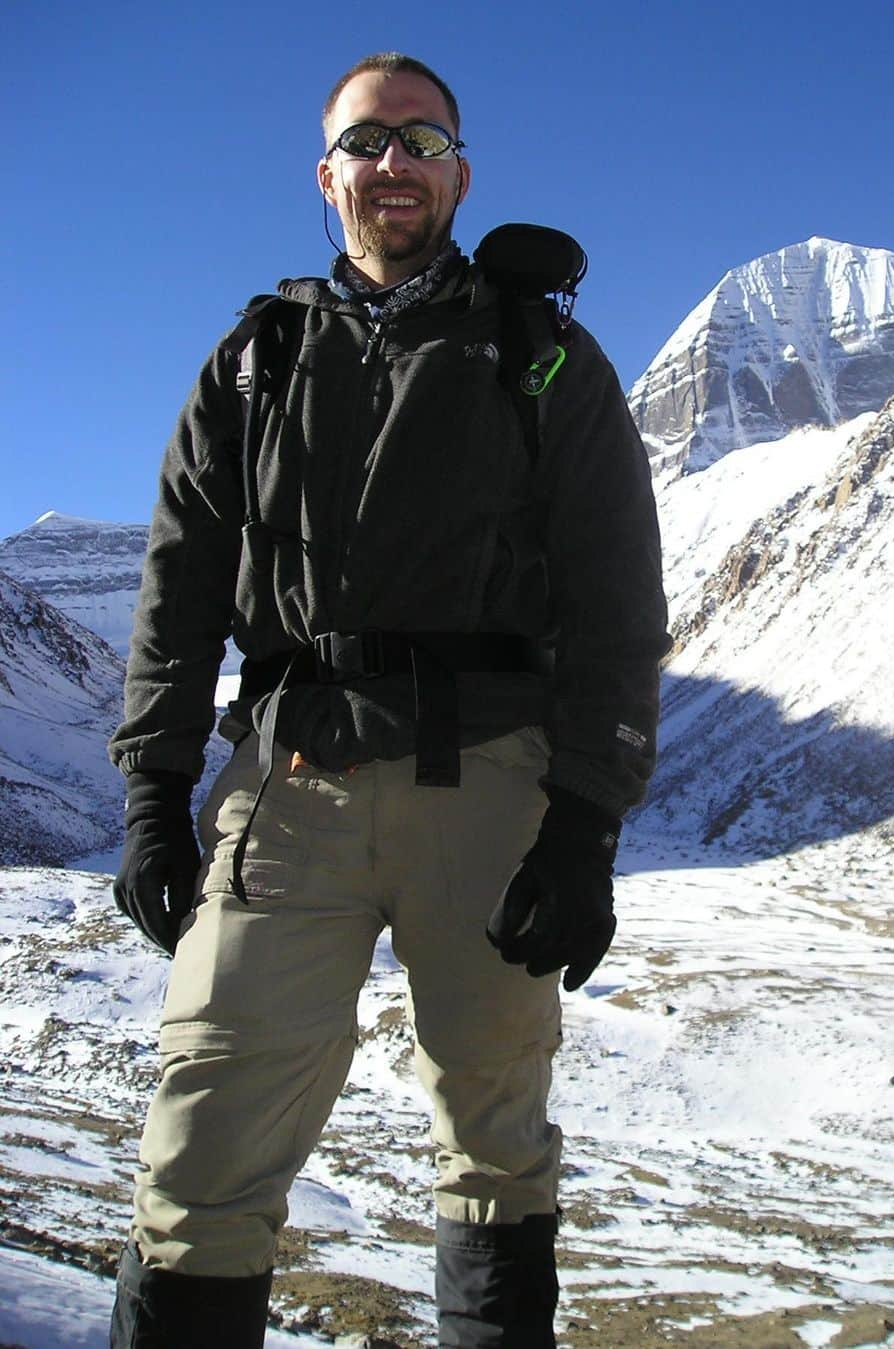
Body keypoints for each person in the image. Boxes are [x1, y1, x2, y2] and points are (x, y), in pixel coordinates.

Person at [107, 50, 669, 1349]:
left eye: (423, 141)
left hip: (489, 786)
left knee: (496, 1141)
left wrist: (582, 829)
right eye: (368, 143)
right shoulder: (254, 362)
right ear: (328, 176)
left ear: (461, 172)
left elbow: (613, 604)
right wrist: (151, 796)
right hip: (288, 790)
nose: (394, 164)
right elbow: (179, 590)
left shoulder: (541, 355)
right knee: (200, 1150)